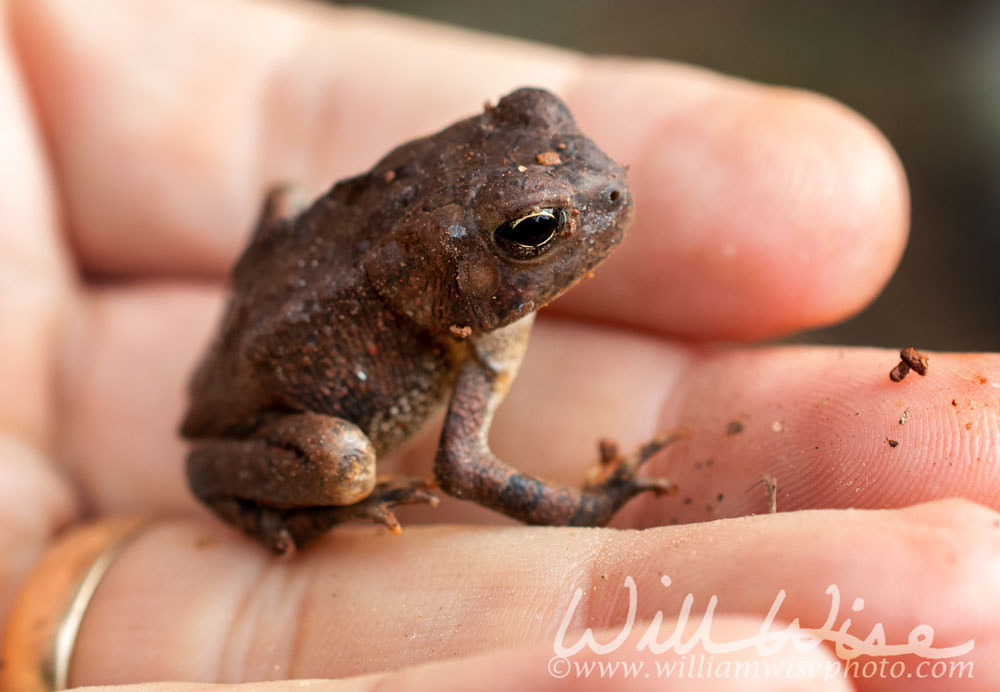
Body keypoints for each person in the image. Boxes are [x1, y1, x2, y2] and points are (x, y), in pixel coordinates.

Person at [1, 0, 996, 689]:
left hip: (318, 275)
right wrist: (590, 506)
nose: (601, 190)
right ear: (471, 272)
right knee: (347, 462)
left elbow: (290, 212)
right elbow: (462, 463)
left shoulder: (471, 282)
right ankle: (295, 503)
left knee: (293, 207)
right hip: (280, 408)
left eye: (546, 122)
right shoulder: (453, 324)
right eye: (536, 230)